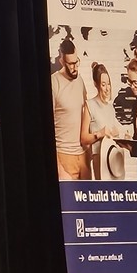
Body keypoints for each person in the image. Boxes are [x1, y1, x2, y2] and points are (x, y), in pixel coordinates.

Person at [51, 38, 92, 180]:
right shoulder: (54, 83)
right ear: (62, 61)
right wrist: (59, 168)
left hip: (84, 156)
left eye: (76, 62)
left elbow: (87, 115)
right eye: (71, 64)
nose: (75, 67)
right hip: (64, 156)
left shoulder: (80, 81)